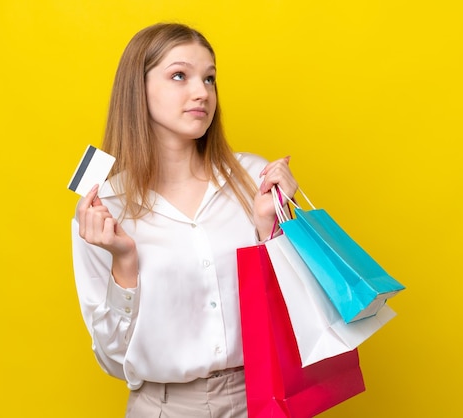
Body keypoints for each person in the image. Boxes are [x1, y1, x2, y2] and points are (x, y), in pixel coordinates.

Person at [71, 22, 298, 417]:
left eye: (209, 78)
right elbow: (112, 360)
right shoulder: (103, 209)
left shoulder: (254, 181)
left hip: (259, 401)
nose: (202, 92)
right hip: (161, 408)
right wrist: (125, 265)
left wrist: (271, 230)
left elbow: (297, 317)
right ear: (137, 89)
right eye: (180, 75)